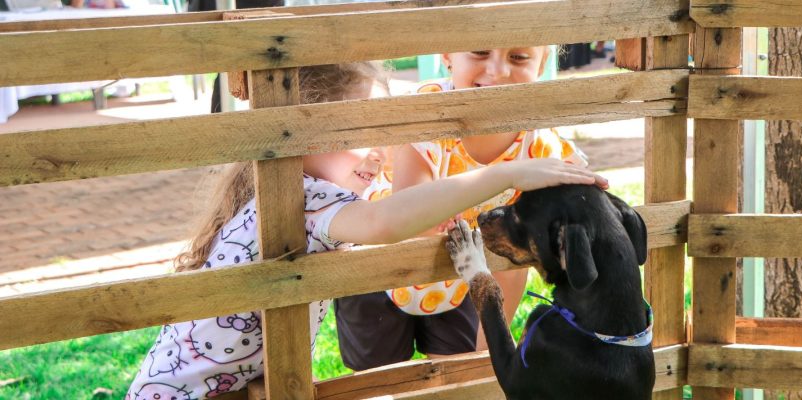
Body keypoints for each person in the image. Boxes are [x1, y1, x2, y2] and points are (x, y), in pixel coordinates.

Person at [125, 61, 606, 400]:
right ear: (303, 128)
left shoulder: (289, 192)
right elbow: (386, 220)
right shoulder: (302, 197)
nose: (380, 152)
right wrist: (507, 175)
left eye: (382, 136)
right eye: (360, 135)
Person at [334, 47, 596, 371]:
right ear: (447, 54)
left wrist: (487, 350)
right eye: (480, 51)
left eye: (519, 57)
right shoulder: (424, 112)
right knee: (378, 383)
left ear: (543, 63)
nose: (498, 70)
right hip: (379, 272)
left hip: (460, 280)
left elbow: (515, 258)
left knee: (461, 378)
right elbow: (411, 216)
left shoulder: (538, 141)